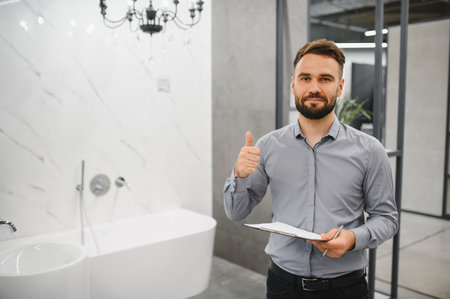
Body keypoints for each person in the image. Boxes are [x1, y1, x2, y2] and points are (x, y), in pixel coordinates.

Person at [223, 39, 399, 299]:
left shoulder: (370, 150)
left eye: (325, 79)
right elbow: (236, 213)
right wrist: (238, 176)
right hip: (282, 285)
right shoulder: (268, 146)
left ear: (340, 87)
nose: (314, 88)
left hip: (345, 289)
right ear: (293, 83)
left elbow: (387, 218)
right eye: (305, 78)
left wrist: (352, 238)